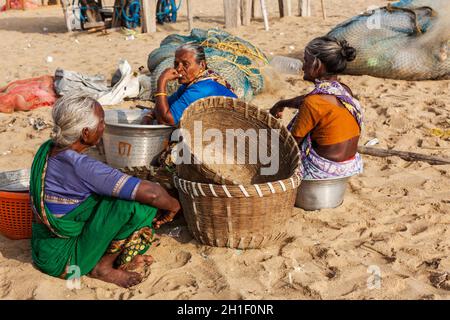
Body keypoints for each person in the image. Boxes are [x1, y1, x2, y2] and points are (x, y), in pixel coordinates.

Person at [30, 93, 181, 288]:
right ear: (85, 133)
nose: (104, 127)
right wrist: (175, 206)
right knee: (138, 207)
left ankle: (108, 257)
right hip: (66, 259)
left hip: (43, 248)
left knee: (113, 196)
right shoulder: (81, 166)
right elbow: (152, 193)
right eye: (101, 122)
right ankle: (103, 267)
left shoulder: (48, 149)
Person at [270, 36, 363, 180]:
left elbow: (291, 145)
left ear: (317, 65)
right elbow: (308, 101)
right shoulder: (343, 90)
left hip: (321, 172)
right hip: (349, 167)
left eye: (306, 60)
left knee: (276, 153)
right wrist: (282, 104)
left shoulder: (313, 103)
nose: (303, 66)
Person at [142, 43, 237, 126]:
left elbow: (166, 121)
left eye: (185, 64)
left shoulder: (201, 88)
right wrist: (150, 115)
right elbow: (167, 105)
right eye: (176, 64)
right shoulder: (191, 84)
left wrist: (161, 82)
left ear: (202, 65)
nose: (179, 69)